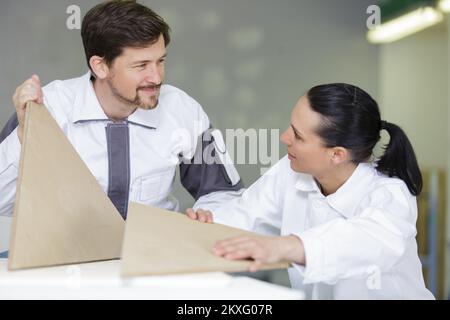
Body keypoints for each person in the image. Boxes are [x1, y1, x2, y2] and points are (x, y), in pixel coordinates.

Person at [0, 1, 244, 221]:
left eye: (160, 61)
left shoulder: (182, 109)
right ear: (101, 66)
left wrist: (209, 217)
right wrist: (25, 135)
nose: (157, 77)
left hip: (154, 258)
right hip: (62, 263)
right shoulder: (47, 107)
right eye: (141, 66)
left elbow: (224, 193)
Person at [187, 83, 434, 299]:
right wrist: (208, 221)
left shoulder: (390, 194)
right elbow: (245, 216)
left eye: (298, 135)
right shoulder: (290, 172)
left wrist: (283, 247)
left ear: (337, 154)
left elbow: (365, 241)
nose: (285, 137)